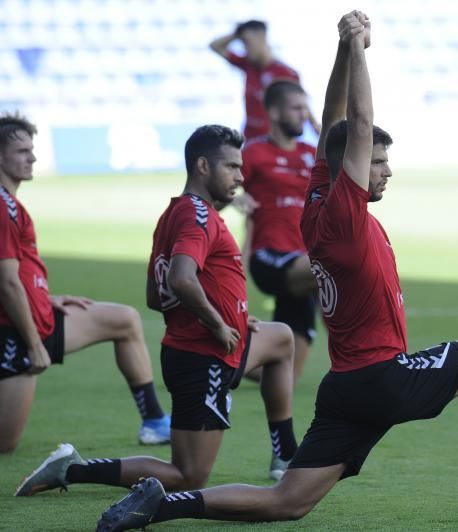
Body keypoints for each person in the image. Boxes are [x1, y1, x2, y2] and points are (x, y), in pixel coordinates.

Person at [93, 12, 458, 531]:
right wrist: (361, 49)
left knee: (287, 501)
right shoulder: (345, 214)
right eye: (379, 162)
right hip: (384, 378)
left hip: (344, 386)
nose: (387, 171)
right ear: (352, 165)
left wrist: (344, 49)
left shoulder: (317, 198)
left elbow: (332, 116)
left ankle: (160, 506)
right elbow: (358, 124)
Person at [15, 125, 299, 500]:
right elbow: (181, 279)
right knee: (188, 475)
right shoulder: (197, 216)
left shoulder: (176, 213)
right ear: (202, 166)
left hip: (211, 345)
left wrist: (231, 313)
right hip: (205, 354)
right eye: (231, 167)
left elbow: (155, 295)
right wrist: (217, 322)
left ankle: (286, 456)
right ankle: (72, 468)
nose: (240, 176)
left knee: (280, 339)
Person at [0, 112, 170, 452]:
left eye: (32, 149)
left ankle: (154, 421)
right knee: (5, 444)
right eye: (22, 151)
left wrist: (45, 298)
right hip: (18, 333)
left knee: (124, 319)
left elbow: (18, 275)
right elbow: (6, 283)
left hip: (36, 318)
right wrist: (34, 345)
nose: (32, 157)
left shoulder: (12, 204)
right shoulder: (3, 208)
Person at [232, 80, 319, 385]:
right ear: (274, 111)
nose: (302, 114)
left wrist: (317, 123)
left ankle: (224, 360)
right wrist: (234, 196)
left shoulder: (311, 153)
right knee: (332, 266)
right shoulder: (254, 153)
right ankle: (363, 363)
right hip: (269, 255)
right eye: (296, 108)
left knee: (285, 375)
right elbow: (216, 183)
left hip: (302, 261)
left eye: (305, 108)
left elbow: (347, 159)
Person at [210, 19, 321, 140]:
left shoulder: (284, 72)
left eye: (247, 43)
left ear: (261, 38)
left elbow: (300, 102)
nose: (245, 49)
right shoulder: (247, 65)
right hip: (250, 138)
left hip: (274, 141)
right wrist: (237, 34)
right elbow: (215, 46)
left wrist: (314, 125)